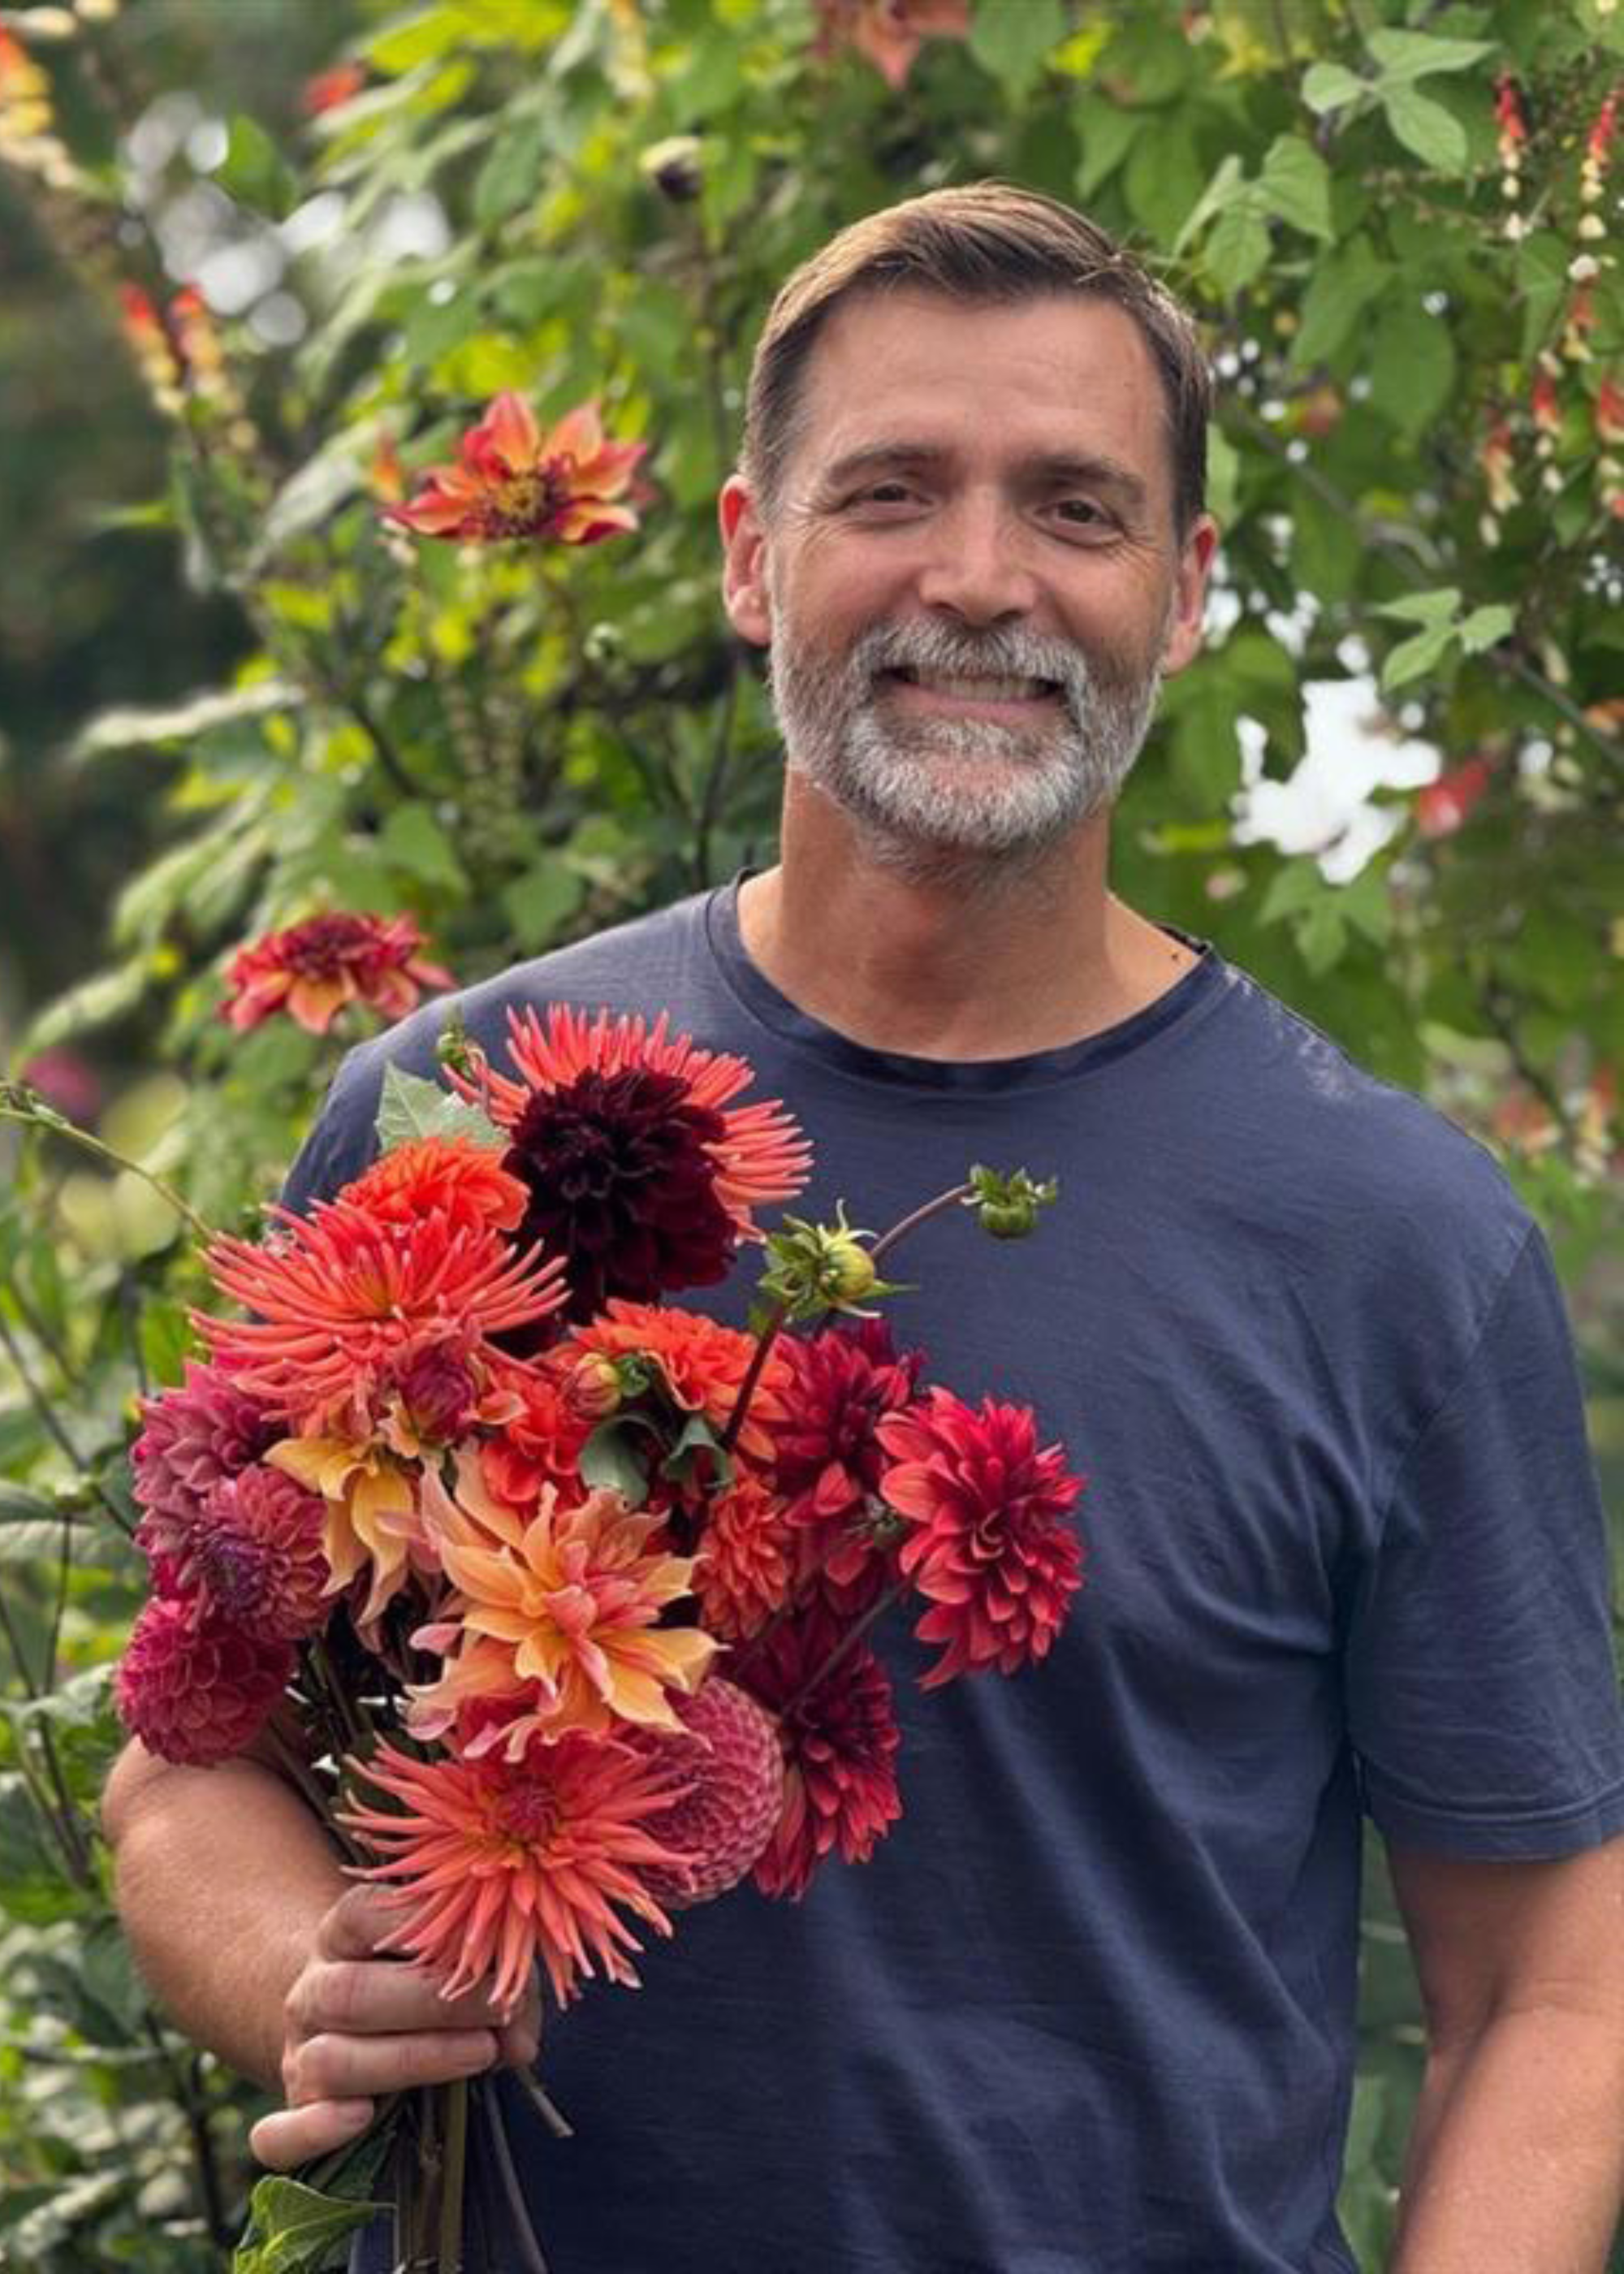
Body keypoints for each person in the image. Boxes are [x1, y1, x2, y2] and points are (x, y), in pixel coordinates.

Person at [103, 185, 1624, 2273]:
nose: (978, 577)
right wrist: (306, 1973)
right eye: (891, 490)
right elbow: (185, 1763)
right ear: (751, 551)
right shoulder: (461, 1118)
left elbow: (1550, 1989)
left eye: (1074, 510)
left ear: (1180, 595)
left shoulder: (1392, 1238)